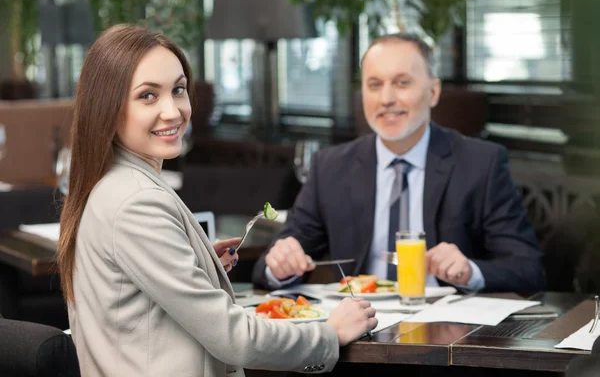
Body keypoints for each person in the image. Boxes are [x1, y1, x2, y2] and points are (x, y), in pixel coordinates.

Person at [56, 23, 377, 377]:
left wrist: (199, 261)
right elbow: (234, 337)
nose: (174, 111)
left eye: (178, 90)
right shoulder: (136, 202)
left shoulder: (112, 185)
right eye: (148, 95)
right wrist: (329, 334)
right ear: (107, 107)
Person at [252, 32, 546, 294]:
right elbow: (269, 264)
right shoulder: (331, 167)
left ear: (433, 92)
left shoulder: (481, 164)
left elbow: (528, 269)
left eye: (402, 83)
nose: (387, 98)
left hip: (449, 335)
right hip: (359, 333)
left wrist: (469, 270)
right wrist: (279, 265)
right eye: (374, 84)